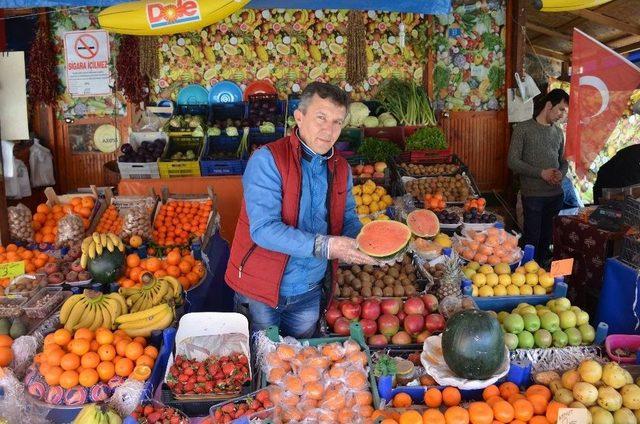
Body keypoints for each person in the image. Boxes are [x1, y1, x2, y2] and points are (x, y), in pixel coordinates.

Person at [225, 82, 378, 339]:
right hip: (261, 289)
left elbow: (348, 218)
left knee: (302, 366)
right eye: (321, 117)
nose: (329, 130)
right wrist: (326, 247)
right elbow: (263, 230)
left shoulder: (341, 168)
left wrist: (371, 242)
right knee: (265, 365)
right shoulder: (267, 160)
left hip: (309, 290)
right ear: (299, 116)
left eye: (337, 122)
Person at [508, 88, 569, 265]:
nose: (561, 115)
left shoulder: (558, 133)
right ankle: (527, 273)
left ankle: (542, 274)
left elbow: (563, 161)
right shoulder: (523, 129)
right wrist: (541, 173)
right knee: (532, 238)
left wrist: (561, 173)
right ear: (549, 105)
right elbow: (512, 161)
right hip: (533, 195)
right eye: (561, 110)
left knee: (547, 239)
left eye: (564, 112)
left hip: (555, 196)